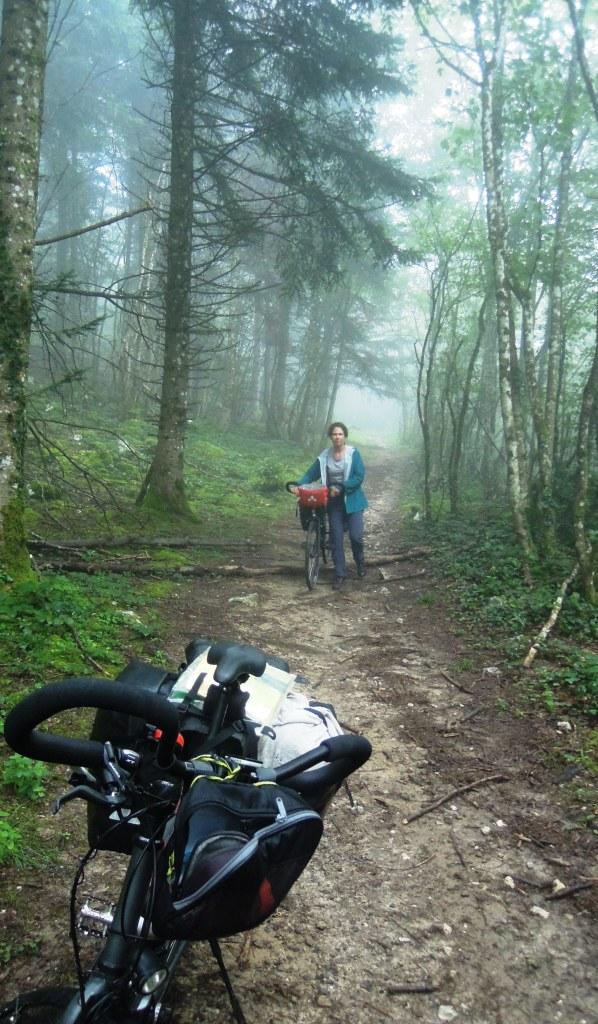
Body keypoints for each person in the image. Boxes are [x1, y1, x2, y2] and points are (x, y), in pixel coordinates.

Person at [291, 422, 368, 590]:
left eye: (340, 434)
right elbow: (311, 473)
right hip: (333, 504)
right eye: (334, 434)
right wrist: (298, 485)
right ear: (330, 437)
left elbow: (359, 476)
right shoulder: (325, 456)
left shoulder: (353, 454)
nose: (337, 437)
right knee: (335, 539)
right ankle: (340, 573)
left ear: (345, 436)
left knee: (356, 537)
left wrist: (341, 487)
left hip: (353, 501)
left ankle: (360, 562)